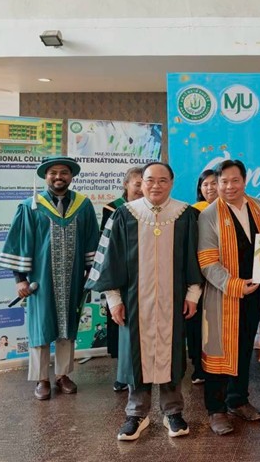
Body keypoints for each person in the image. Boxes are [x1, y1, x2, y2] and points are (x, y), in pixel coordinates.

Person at [87, 162, 203, 442]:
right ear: (141, 182)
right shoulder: (125, 214)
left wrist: (192, 294)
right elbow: (110, 261)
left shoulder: (185, 214)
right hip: (134, 301)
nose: (155, 185)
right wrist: (113, 299)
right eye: (149, 180)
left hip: (172, 301)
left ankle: (173, 412)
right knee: (135, 356)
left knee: (171, 354)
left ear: (171, 183)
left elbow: (193, 257)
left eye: (163, 180)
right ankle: (136, 414)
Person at [0, 156, 99, 400]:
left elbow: (91, 240)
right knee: (40, 327)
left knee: (67, 326)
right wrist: (20, 279)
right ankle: (41, 378)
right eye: (53, 172)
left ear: (71, 176)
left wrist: (90, 272)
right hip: (40, 280)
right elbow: (19, 243)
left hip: (73, 278)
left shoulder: (83, 206)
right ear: (46, 176)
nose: (58, 177)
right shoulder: (31, 206)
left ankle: (62, 375)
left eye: (64, 172)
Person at [198, 159, 260, 436]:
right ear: (216, 183)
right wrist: (235, 285)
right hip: (223, 295)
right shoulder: (208, 215)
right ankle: (216, 409)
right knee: (218, 351)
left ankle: (238, 400)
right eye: (223, 182)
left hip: (254, 292)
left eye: (235, 180)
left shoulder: (258, 206)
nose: (229, 186)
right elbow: (207, 261)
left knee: (243, 349)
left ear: (244, 181)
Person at [100, 166, 143, 392]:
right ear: (126, 185)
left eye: (144, 183)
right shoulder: (113, 208)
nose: (141, 189)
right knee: (120, 321)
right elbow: (106, 243)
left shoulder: (151, 208)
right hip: (119, 273)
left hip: (143, 275)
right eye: (137, 184)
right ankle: (122, 373)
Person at [187, 168, 218, 385]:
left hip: (222, 274)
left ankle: (219, 365)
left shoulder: (230, 210)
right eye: (205, 184)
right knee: (197, 323)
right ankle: (199, 366)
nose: (209, 188)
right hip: (199, 275)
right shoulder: (193, 212)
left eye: (214, 183)